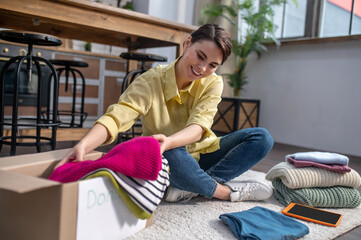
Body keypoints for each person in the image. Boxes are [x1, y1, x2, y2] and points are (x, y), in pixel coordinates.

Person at [56, 24, 274, 202]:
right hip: (169, 159)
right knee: (170, 150)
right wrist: (84, 144)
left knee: (262, 138)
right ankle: (225, 193)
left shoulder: (213, 83)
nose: (202, 68)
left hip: (200, 153)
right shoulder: (151, 80)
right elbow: (118, 116)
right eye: (200, 56)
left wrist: (170, 141)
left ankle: (191, 187)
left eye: (212, 65)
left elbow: (199, 128)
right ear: (187, 43)